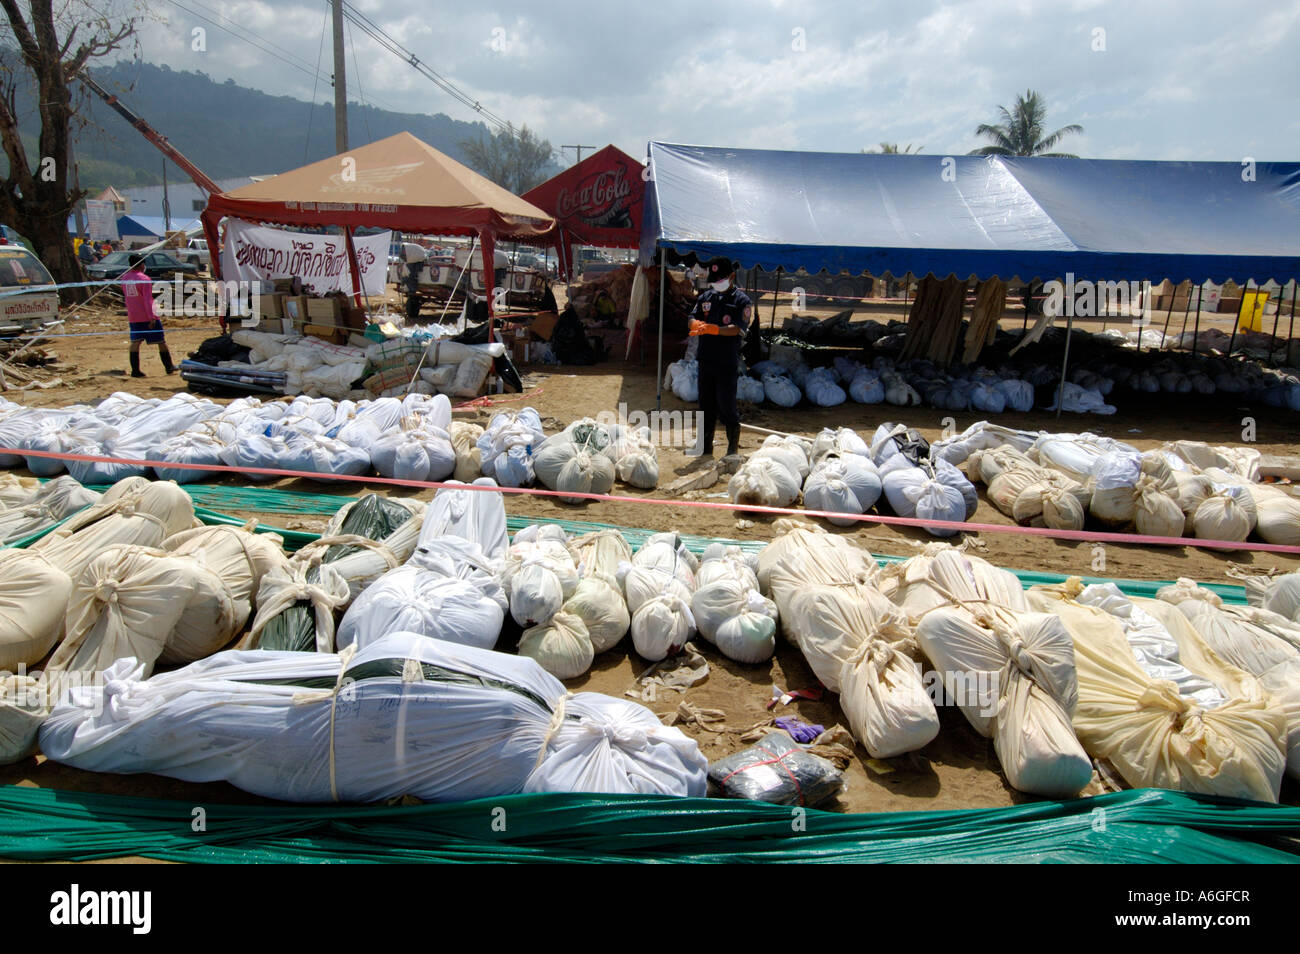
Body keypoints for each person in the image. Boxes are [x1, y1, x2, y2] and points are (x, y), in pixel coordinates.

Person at [687, 257, 751, 457]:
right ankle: (705, 447)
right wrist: (694, 325)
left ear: (731, 277)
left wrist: (715, 329)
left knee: (726, 405)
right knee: (705, 405)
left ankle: (732, 448)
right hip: (706, 359)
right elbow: (692, 316)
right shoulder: (706, 297)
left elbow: (738, 328)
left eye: (720, 279)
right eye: (714, 280)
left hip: (726, 361)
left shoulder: (742, 301)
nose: (716, 283)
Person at [122, 254, 175, 377]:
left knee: (135, 342)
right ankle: (169, 367)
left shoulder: (125, 278)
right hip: (146, 315)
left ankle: (135, 370)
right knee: (161, 341)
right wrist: (151, 316)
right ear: (141, 264)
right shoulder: (144, 279)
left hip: (133, 315)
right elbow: (147, 299)